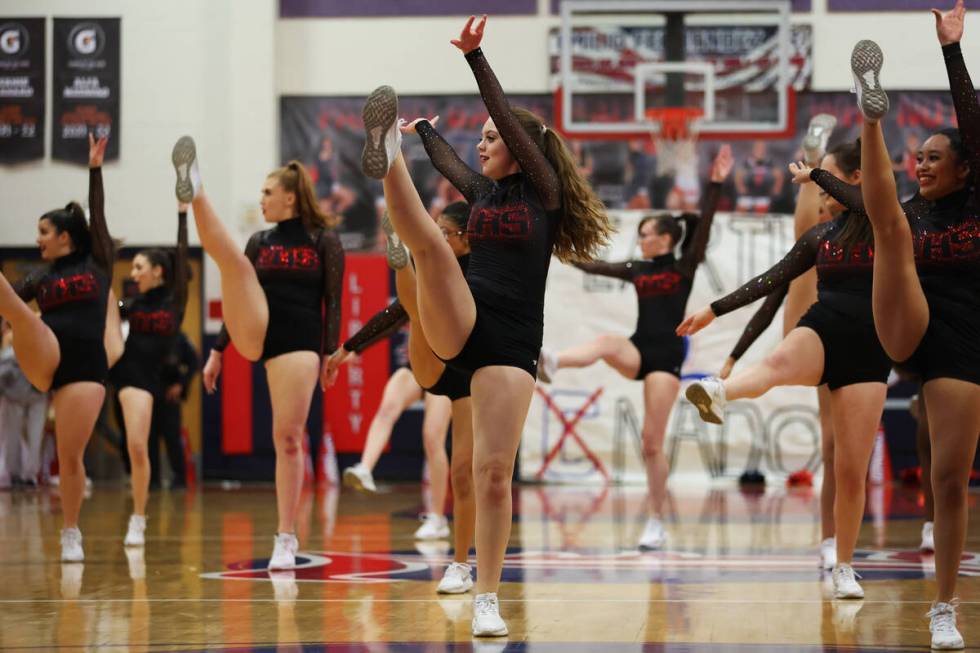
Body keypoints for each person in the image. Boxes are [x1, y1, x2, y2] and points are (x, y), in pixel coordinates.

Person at [358, 14, 613, 636]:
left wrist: (476, 59)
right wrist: (418, 136)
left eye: (492, 139)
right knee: (433, 247)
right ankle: (386, 154)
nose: (480, 144)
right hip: (464, 318)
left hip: (513, 341)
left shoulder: (542, 192)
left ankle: (487, 595)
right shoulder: (482, 194)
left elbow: (500, 113)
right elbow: (448, 161)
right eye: (481, 137)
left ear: (521, 150)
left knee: (490, 473)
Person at [679, 139, 894, 602]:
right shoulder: (821, 236)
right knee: (776, 363)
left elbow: (868, 201)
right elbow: (771, 279)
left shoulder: (889, 221)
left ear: (854, 177)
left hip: (869, 349)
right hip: (823, 327)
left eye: (829, 177)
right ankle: (719, 391)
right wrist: (713, 310)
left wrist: (814, 173)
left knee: (851, 470)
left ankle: (844, 566)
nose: (822, 192)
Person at [847, 4, 980, 646]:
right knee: (891, 227)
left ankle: (944, 606)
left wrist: (952, 50)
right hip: (906, 320)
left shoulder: (976, 200)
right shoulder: (909, 208)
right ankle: (870, 117)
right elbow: (869, 202)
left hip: (964, 340)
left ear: (963, 167)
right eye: (918, 157)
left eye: (934, 157)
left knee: (949, 479)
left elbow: (972, 123)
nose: (923, 165)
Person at [537, 144, 733, 550]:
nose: (641, 241)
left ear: (665, 238)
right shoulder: (638, 269)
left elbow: (706, 227)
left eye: (646, 235)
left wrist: (714, 185)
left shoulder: (683, 265)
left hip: (665, 358)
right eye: (639, 235)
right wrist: (551, 240)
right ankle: (554, 362)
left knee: (651, 442)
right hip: (639, 347)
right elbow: (593, 265)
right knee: (608, 342)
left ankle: (656, 520)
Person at [176, 140, 345, 571]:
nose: (261, 199)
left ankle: (286, 536)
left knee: (287, 438)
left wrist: (330, 353)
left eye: (267, 193)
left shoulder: (323, 239)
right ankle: (195, 189)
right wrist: (217, 354)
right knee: (233, 262)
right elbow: (237, 301)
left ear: (290, 196)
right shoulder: (260, 240)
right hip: (258, 329)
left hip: (299, 343)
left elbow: (333, 300)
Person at [330, 201, 477, 593]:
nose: (439, 238)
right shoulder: (435, 266)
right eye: (435, 231)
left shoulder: (483, 270)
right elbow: (393, 314)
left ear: (467, 238)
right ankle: (366, 466)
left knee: (462, 471)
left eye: (444, 233)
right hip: (429, 359)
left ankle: (458, 557)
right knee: (413, 309)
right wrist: (347, 348)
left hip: (470, 372)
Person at [0, 134, 113, 561]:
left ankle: (71, 530)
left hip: (84, 366)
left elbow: (98, 217)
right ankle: (69, 530)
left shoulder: (97, 263)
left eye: (43, 232)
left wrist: (95, 168)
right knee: (18, 308)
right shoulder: (40, 278)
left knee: (69, 456)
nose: (37, 239)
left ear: (65, 236)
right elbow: (10, 297)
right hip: (46, 355)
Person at [112, 201, 189, 545]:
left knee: (148, 447)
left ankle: (140, 514)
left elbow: (183, 254)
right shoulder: (129, 306)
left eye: (140, 266)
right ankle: (138, 517)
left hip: (160, 382)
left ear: (158, 270)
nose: (133, 273)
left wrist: (183, 214)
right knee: (138, 448)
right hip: (131, 380)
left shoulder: (176, 302)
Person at [0, 319, 48, 489]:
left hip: (35, 395)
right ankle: (17, 476)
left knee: (34, 437)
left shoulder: (34, 336)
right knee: (13, 437)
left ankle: (28, 476)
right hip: (16, 395)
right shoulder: (9, 340)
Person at [151, 331, 200, 489]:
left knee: (172, 437)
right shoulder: (142, 335)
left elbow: (194, 362)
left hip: (170, 396)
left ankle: (180, 478)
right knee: (149, 440)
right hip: (148, 394)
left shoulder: (179, 337)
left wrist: (181, 384)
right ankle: (152, 480)